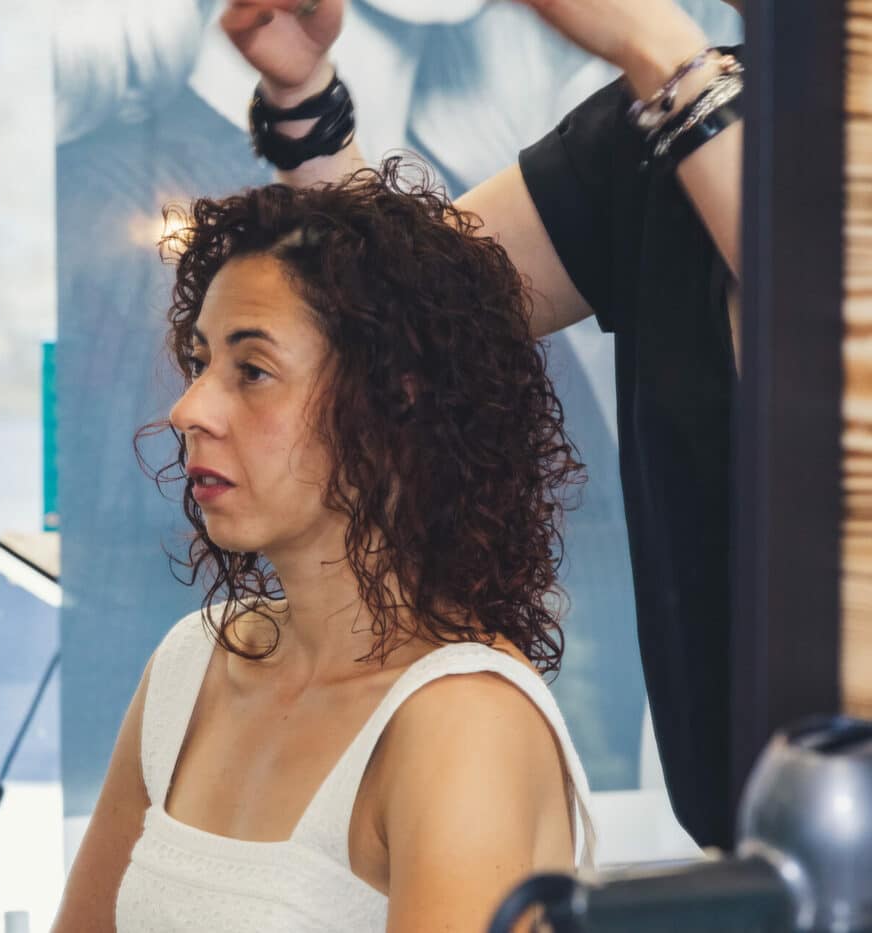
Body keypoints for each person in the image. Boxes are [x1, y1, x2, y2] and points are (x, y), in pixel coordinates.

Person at [222, 0, 745, 850]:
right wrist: (304, 94)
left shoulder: (684, 93)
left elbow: (826, 361)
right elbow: (406, 306)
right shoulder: (650, 139)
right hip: (763, 841)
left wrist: (659, 48)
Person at [52, 157, 597, 931]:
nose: (189, 408)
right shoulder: (188, 668)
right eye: (202, 361)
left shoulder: (464, 721)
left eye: (253, 369)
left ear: (392, 404)